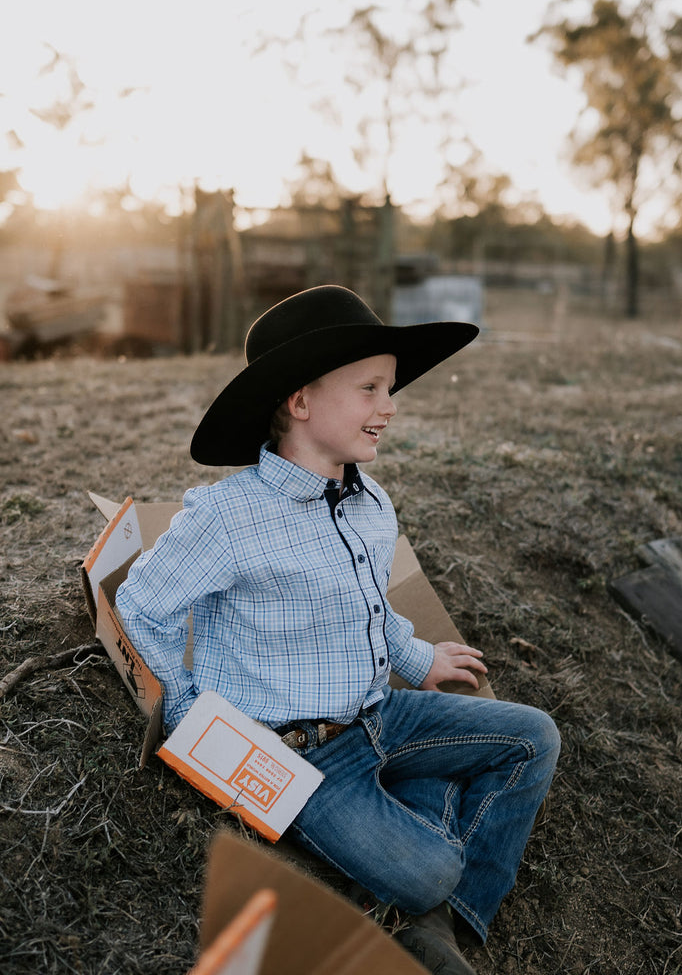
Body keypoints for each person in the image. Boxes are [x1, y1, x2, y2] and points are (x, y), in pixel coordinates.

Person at [116, 285, 560, 975]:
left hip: (379, 710)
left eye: (388, 389)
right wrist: (187, 713)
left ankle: (442, 928)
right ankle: (430, 896)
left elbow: (367, 608)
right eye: (369, 388)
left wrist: (414, 658)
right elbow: (142, 606)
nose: (388, 407)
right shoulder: (228, 518)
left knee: (532, 736)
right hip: (302, 755)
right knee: (429, 867)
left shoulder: (369, 501)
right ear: (299, 401)